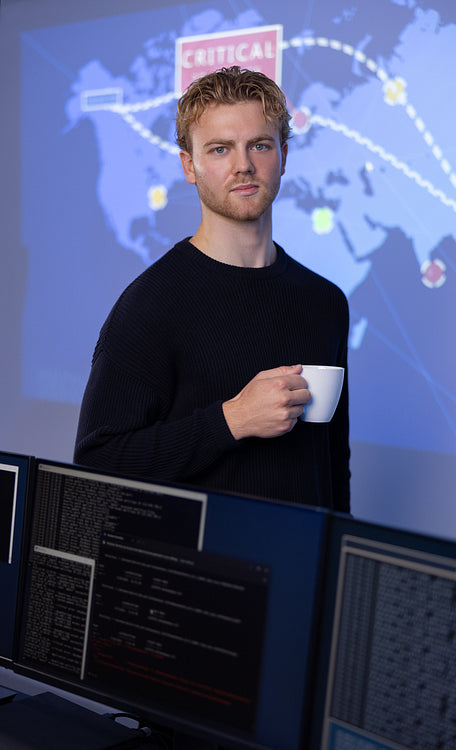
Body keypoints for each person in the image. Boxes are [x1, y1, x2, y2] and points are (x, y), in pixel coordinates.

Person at [74, 65, 350, 512]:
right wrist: (232, 419)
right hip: (197, 576)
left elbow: (333, 464)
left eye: (259, 145)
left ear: (283, 153)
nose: (243, 165)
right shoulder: (151, 303)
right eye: (220, 149)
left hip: (301, 574)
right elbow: (96, 460)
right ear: (190, 165)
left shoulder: (326, 302)